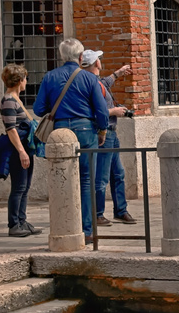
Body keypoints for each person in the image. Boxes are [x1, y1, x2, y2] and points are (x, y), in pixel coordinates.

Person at [32, 38, 122, 239]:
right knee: (87, 180)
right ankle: (87, 231)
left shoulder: (50, 77)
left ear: (62, 56)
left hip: (60, 131)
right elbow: (101, 112)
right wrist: (102, 132)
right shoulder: (90, 79)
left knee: (63, 179)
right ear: (81, 57)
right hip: (86, 130)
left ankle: (66, 228)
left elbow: (38, 109)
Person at [91, 53, 136, 227]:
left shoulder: (99, 82)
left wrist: (119, 72)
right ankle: (97, 214)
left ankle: (121, 210)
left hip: (112, 133)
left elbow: (106, 82)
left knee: (118, 173)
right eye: (99, 58)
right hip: (104, 132)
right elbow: (93, 112)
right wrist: (114, 112)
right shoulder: (91, 85)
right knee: (101, 177)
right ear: (96, 62)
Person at [0, 64, 38, 237]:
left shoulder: (15, 99)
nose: (26, 82)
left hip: (25, 147)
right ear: (19, 80)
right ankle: (14, 224)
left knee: (25, 186)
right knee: (19, 187)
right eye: (25, 79)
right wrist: (21, 152)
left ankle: (22, 221)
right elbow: (11, 129)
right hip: (18, 149)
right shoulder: (8, 100)